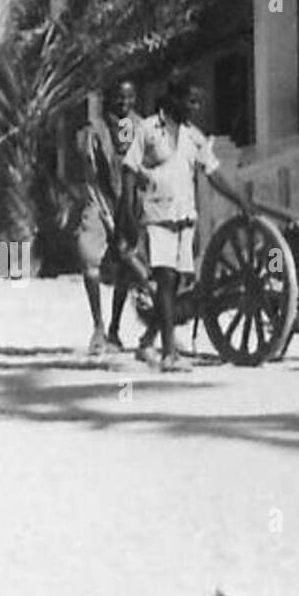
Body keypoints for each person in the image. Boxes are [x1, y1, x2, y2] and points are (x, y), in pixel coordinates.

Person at [119, 73, 256, 372]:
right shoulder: (147, 129)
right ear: (175, 99)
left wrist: (239, 200)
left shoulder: (194, 137)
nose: (195, 107)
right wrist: (128, 214)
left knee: (177, 283)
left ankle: (149, 338)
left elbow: (214, 173)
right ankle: (169, 353)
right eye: (190, 101)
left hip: (185, 219)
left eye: (198, 102)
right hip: (157, 217)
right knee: (165, 280)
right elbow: (129, 171)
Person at [74, 78, 143, 354]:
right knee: (88, 258)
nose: (123, 103)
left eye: (129, 98)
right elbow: (91, 176)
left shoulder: (138, 128)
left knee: (128, 264)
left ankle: (115, 328)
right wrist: (105, 213)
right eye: (118, 98)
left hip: (131, 202)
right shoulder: (94, 132)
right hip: (100, 201)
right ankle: (98, 326)